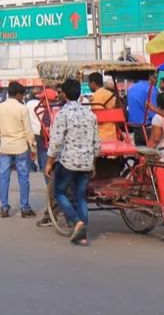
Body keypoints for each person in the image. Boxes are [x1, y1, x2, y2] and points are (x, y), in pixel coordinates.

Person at [46, 78, 101, 246]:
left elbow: (55, 142)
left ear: (65, 94)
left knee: (59, 192)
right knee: (80, 196)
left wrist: (49, 162)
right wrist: (94, 163)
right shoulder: (90, 114)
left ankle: (77, 222)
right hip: (86, 162)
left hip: (68, 162)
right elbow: (97, 143)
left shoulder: (63, 114)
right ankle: (82, 233)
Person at [0, 82, 36, 218]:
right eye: (21, 95)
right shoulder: (22, 109)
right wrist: (33, 146)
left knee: (4, 177)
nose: (22, 97)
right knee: (23, 178)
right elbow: (28, 130)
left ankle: (4, 207)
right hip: (21, 147)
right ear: (17, 94)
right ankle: (25, 207)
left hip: (5, 147)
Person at [126, 73, 157, 146]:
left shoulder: (131, 88)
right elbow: (154, 110)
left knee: (140, 151)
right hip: (149, 127)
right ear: (150, 77)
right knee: (151, 153)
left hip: (136, 127)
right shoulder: (151, 88)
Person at [87, 72, 119, 142]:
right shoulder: (109, 93)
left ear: (93, 83)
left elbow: (98, 118)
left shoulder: (96, 96)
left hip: (101, 136)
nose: (88, 85)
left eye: (88, 83)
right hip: (113, 135)